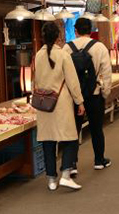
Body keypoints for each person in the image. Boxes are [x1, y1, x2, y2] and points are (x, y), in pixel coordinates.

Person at [35, 22, 85, 191]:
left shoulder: (37, 55)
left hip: (44, 104)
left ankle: (50, 179)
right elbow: (72, 81)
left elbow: (35, 81)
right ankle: (65, 174)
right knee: (70, 138)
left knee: (47, 140)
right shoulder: (63, 55)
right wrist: (80, 101)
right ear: (58, 36)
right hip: (61, 102)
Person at [64, 18, 112, 175]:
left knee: (73, 130)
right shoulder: (100, 47)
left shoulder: (66, 48)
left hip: (73, 97)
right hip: (94, 94)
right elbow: (106, 74)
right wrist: (105, 93)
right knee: (96, 128)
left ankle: (72, 164)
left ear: (75, 31)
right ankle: (99, 160)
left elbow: (62, 74)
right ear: (91, 31)